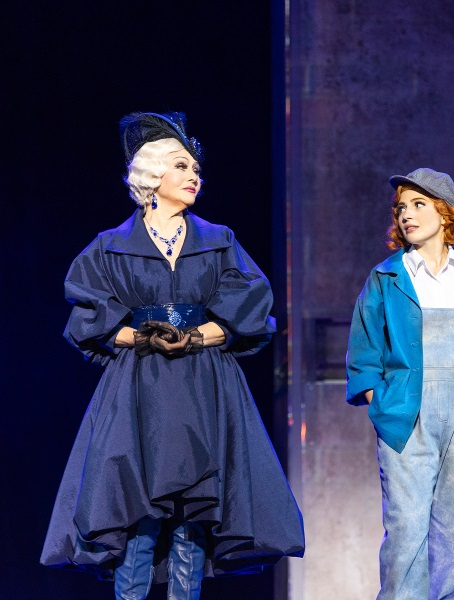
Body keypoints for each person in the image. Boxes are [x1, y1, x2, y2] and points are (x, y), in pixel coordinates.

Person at [41, 112, 304, 599]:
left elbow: (248, 312)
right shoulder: (110, 247)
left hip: (204, 382)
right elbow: (89, 323)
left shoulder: (219, 240)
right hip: (139, 387)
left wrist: (195, 338)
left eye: (196, 169)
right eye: (182, 166)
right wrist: (144, 339)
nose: (193, 176)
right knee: (137, 512)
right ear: (152, 174)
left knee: (193, 516)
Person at [346, 168, 454, 599]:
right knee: (406, 529)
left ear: (445, 213)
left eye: (418, 204)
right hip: (408, 413)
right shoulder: (385, 278)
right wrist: (382, 401)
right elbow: (364, 354)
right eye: (401, 208)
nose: (406, 214)